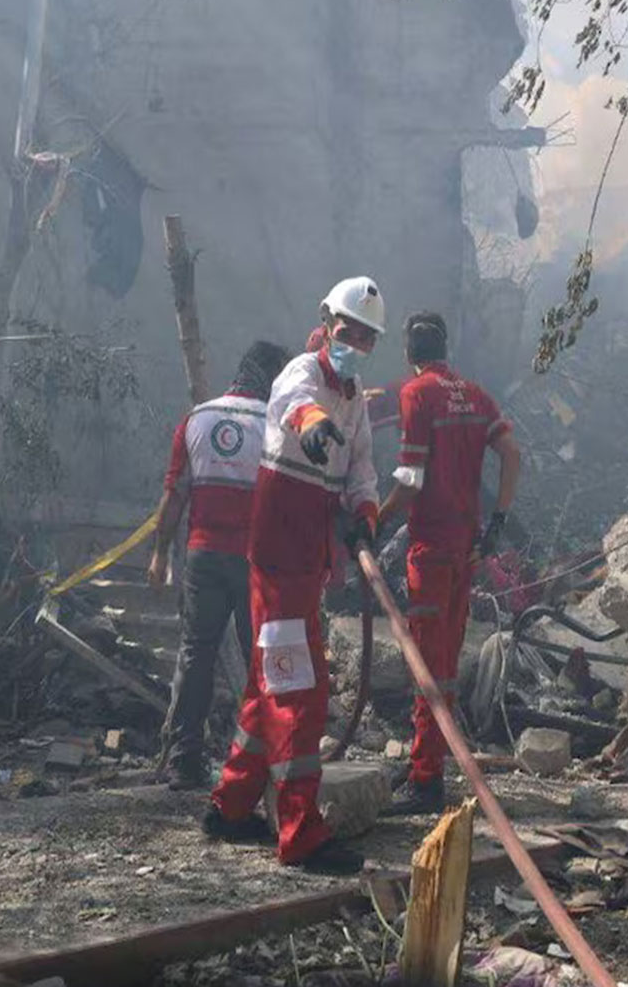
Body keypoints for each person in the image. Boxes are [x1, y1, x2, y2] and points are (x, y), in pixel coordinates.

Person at [202, 277, 386, 873]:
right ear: (326, 321)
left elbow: (360, 469)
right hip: (278, 556)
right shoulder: (301, 374)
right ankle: (301, 833)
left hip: (310, 561)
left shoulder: (354, 399)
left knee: (266, 688)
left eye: (366, 337)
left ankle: (231, 806)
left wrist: (363, 514)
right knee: (299, 694)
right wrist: (308, 425)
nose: (353, 343)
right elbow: (290, 405)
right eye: (347, 331)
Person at [380, 311, 521, 815]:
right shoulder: (476, 394)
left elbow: (411, 479)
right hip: (466, 548)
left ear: (407, 353)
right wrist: (498, 521)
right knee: (446, 664)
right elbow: (511, 454)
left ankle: (425, 779)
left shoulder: (417, 395)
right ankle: (430, 759)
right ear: (445, 347)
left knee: (427, 664)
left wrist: (377, 514)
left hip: (431, 549)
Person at [149, 340, 291, 791]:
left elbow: (174, 495)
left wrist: (157, 554)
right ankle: (260, 761)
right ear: (271, 380)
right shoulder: (277, 425)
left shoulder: (198, 418)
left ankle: (184, 761)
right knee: (262, 661)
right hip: (257, 562)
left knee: (196, 655)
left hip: (203, 557)